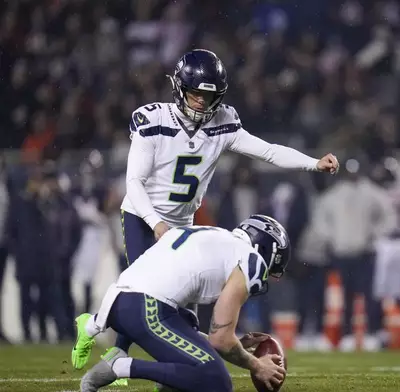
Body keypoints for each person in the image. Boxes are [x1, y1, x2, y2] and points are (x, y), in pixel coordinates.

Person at [96, 48, 338, 386]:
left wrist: (312, 162)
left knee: (183, 316)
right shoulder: (153, 120)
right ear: (179, 88)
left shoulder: (223, 123)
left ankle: (163, 372)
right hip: (143, 215)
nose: (200, 102)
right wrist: (156, 224)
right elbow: (133, 182)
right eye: (195, 93)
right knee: (151, 298)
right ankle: (119, 358)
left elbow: (267, 150)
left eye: (208, 96)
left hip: (183, 223)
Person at [72, 214, 289, 392]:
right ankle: (120, 366)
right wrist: (257, 365)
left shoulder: (213, 236)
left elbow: (206, 336)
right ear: (266, 249)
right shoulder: (251, 260)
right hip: (146, 307)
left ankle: (163, 380)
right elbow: (221, 339)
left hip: (121, 304)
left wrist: (237, 344)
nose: (270, 274)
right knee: (216, 380)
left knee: (191, 328)